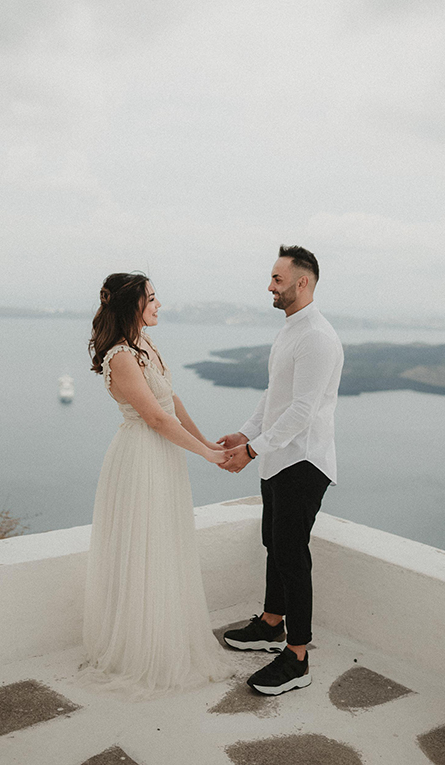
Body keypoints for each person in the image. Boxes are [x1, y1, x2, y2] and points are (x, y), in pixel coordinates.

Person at [80, 272, 232, 697]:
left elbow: (172, 401)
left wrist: (206, 441)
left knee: (166, 544)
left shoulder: (144, 343)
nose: (158, 304)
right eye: (151, 298)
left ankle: (166, 641)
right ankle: (142, 652)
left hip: (163, 455)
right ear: (132, 305)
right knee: (146, 547)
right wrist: (206, 456)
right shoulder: (120, 356)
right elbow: (154, 418)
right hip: (141, 457)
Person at [219, 245, 343, 696]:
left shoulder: (317, 337)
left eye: (277, 278)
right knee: (274, 543)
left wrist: (252, 450)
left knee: (291, 554)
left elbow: (302, 412)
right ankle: (272, 623)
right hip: (277, 458)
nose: (270, 286)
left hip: (303, 462)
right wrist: (245, 434)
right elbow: (275, 396)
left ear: (301, 282)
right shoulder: (291, 330)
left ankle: (298, 657)